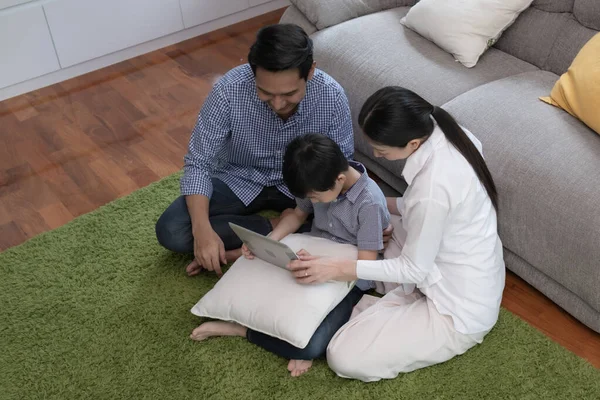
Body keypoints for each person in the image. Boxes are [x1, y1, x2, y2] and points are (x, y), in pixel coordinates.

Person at [288, 86, 506, 382]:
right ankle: (378, 305)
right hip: (448, 259)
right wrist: (373, 199)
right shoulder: (445, 130)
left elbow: (415, 265)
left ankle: (375, 310)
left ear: (413, 143)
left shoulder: (433, 189)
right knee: (372, 217)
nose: (376, 155)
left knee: (343, 356)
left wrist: (338, 268)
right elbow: (417, 208)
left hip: (455, 308)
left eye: (381, 150)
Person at [154, 24, 356, 277]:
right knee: (172, 230)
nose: (278, 104)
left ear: (311, 71)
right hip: (237, 177)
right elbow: (199, 163)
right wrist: (202, 231)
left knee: (347, 224)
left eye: (290, 93)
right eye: (266, 92)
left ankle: (280, 229)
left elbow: (342, 166)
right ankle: (279, 227)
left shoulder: (332, 96)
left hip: (299, 186)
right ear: (253, 74)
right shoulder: (228, 90)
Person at [189, 134, 391, 377]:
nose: (312, 201)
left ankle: (240, 330)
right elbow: (297, 215)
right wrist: (270, 241)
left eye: (315, 197)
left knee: (311, 347)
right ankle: (257, 318)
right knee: (269, 280)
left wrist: (325, 267)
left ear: (339, 180)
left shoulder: (369, 203)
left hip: (349, 276)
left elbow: (366, 265)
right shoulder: (316, 179)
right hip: (311, 249)